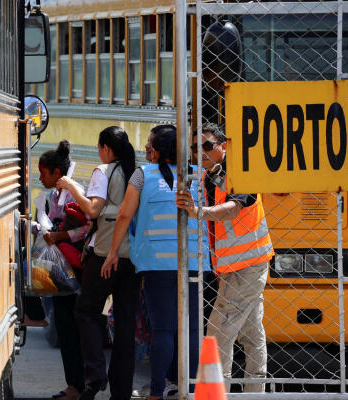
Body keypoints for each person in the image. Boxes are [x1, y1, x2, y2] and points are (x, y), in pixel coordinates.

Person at [101, 125, 210, 400]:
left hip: (156, 264)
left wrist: (113, 252)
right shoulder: (199, 175)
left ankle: (157, 391)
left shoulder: (142, 175)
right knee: (192, 330)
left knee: (163, 329)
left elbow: (125, 215)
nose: (147, 148)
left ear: (159, 150)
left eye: (151, 144)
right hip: (195, 263)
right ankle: (193, 389)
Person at [176, 123, 274, 393]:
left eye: (207, 146)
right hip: (236, 265)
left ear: (224, 145)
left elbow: (233, 208)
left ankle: (216, 393)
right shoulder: (213, 174)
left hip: (248, 264)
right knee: (253, 334)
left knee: (218, 333)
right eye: (196, 148)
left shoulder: (242, 170)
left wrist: (199, 212)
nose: (201, 152)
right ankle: (254, 394)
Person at [57, 126, 139, 400]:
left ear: (105, 148)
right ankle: (121, 393)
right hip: (133, 259)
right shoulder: (137, 173)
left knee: (87, 312)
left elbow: (93, 209)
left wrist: (71, 186)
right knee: (125, 327)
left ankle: (95, 375)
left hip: (105, 254)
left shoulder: (102, 172)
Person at [36, 140, 89, 400]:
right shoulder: (55, 195)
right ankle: (74, 385)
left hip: (76, 268)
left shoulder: (73, 192)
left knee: (73, 329)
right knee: (65, 327)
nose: (40, 177)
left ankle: (79, 386)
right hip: (63, 269)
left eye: (43, 173)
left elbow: (89, 227)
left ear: (57, 173)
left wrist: (60, 236)